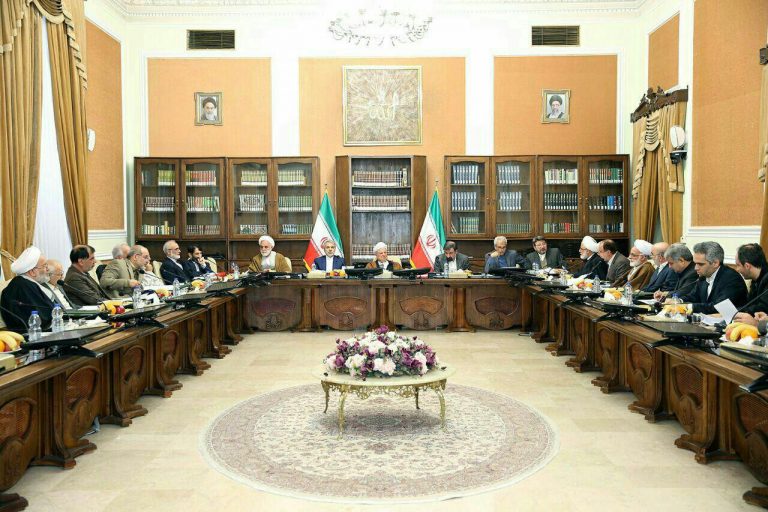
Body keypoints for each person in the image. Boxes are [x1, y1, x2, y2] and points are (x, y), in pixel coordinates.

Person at [679, 241, 748, 313]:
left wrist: (688, 307)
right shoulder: (703, 276)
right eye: (695, 263)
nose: (696, 268)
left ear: (715, 263)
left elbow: (718, 307)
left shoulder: (732, 279)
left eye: (700, 264)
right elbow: (693, 296)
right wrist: (679, 301)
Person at [0, 246, 56, 332]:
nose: (48, 269)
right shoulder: (22, 286)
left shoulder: (26, 283)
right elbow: (43, 318)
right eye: (44, 265)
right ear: (32, 272)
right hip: (32, 336)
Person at [731, 244, 768, 325]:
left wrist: (734, 312)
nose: (737, 269)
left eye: (738, 265)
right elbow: (750, 304)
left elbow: (762, 308)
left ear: (747, 266)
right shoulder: (755, 279)